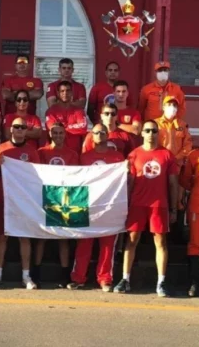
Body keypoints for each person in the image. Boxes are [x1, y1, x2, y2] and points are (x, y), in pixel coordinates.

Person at [114, 120, 179, 297]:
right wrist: (124, 205)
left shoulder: (167, 155)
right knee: (131, 241)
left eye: (154, 131)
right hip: (137, 204)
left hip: (159, 206)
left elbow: (173, 183)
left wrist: (173, 208)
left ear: (159, 133)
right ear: (142, 133)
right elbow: (129, 183)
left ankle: (161, 282)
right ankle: (125, 279)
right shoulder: (134, 155)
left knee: (161, 243)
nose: (151, 133)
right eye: (148, 130)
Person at [68, 123, 125, 292]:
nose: (99, 135)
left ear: (107, 135)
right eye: (96, 132)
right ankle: (78, 278)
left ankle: (105, 279)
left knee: (108, 245)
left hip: (110, 206)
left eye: (102, 132)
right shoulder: (84, 157)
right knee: (84, 243)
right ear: (91, 136)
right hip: (87, 206)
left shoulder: (118, 158)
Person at [0, 117, 40, 290]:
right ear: (11, 129)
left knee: (24, 237)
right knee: (2, 237)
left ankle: (26, 276)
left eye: (22, 127)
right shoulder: (1, 149)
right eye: (16, 126)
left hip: (24, 200)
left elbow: (36, 177)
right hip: (5, 198)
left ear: (26, 130)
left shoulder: (31, 151)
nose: (19, 130)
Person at [35, 123, 78, 287]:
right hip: (45, 198)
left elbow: (75, 177)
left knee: (63, 239)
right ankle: (36, 273)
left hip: (64, 200)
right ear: (50, 135)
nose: (58, 136)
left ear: (65, 135)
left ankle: (65, 276)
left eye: (61, 133)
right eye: (55, 133)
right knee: (41, 237)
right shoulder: (42, 152)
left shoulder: (72, 154)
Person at [155, 96, 192, 242]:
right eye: (169, 104)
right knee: (159, 197)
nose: (172, 108)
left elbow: (187, 145)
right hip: (160, 167)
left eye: (174, 105)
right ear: (163, 107)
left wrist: (176, 158)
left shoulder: (182, 125)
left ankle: (176, 233)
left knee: (177, 199)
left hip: (177, 168)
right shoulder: (156, 124)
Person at [179, 148, 199, 297]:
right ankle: (195, 282)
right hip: (198, 204)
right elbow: (185, 180)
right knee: (195, 244)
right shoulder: (195, 155)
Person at [45, 81, 87, 153]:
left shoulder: (79, 111)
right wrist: (73, 127)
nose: (65, 93)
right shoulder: (51, 111)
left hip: (75, 152)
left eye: (68, 90)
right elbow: (53, 130)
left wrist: (64, 128)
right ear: (58, 93)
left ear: (72, 93)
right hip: (54, 151)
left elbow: (83, 127)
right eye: (62, 91)